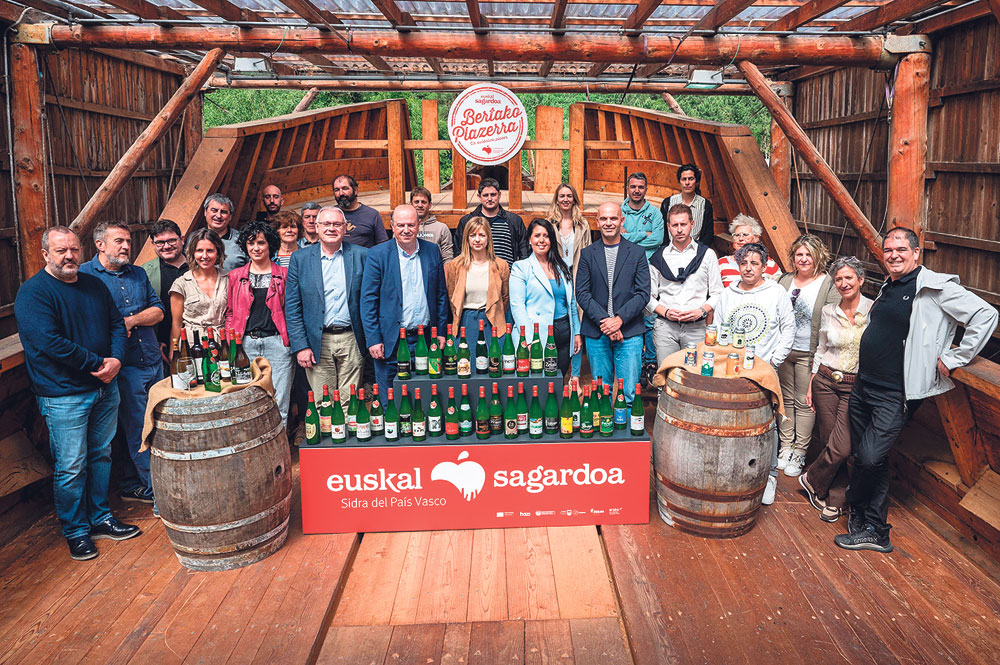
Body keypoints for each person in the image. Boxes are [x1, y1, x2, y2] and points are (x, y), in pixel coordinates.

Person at [836, 227, 998, 553]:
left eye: (901, 249)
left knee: (870, 456)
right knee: (871, 458)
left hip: (896, 392)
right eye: (888, 250)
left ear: (915, 253)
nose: (893, 255)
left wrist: (955, 358)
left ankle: (866, 515)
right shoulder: (890, 284)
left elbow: (986, 314)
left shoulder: (935, 287)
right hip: (865, 385)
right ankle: (869, 523)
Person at [14, 226, 140, 561]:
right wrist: (98, 363)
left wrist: (117, 359)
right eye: (61, 251)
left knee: (101, 456)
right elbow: (49, 342)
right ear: (45, 254)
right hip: (64, 395)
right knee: (71, 466)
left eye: (74, 249)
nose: (69, 256)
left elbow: (117, 324)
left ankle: (100, 518)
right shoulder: (33, 293)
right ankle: (76, 531)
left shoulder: (94, 284)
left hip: (104, 387)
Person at [80, 221, 164, 507]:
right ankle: (158, 492)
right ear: (100, 244)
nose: (127, 246)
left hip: (152, 359)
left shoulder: (138, 273)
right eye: (120, 241)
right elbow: (88, 322)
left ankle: (157, 484)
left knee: (162, 426)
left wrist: (129, 320)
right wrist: (122, 325)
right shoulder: (85, 276)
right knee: (139, 429)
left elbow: (158, 311)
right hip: (124, 367)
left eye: (128, 241)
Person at [714, 242, 795, 506]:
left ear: (764, 266)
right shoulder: (728, 293)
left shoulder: (776, 292)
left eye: (754, 263)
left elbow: (789, 328)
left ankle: (770, 475)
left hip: (764, 370)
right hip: (733, 369)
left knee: (767, 423)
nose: (748, 268)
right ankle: (735, 472)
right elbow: (718, 328)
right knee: (733, 421)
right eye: (744, 263)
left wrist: (773, 361)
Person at [798, 256, 872, 523]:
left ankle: (811, 479)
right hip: (825, 381)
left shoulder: (873, 310)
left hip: (855, 386)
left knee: (841, 447)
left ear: (860, 279)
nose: (843, 283)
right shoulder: (829, 310)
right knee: (830, 442)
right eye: (838, 279)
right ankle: (835, 500)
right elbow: (820, 349)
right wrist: (811, 383)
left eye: (848, 277)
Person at [361, 205, 448, 402]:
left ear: (419, 225)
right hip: (390, 342)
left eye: (411, 225)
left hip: (426, 340)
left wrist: (441, 332)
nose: (406, 230)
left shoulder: (432, 250)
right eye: (400, 225)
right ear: (392, 226)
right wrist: (373, 339)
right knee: (389, 401)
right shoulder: (377, 254)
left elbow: (441, 295)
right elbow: (368, 301)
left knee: (427, 398)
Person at [286, 207, 369, 411]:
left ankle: (347, 433)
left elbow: (371, 300)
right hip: (317, 341)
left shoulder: (362, 255)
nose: (331, 228)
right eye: (326, 224)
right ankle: (327, 433)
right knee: (323, 403)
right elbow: (293, 307)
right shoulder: (300, 259)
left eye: (337, 224)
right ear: (316, 227)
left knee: (350, 402)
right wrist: (301, 346)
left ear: (345, 228)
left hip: (352, 338)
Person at [776, 234, 840, 477]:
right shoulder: (784, 280)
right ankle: (786, 446)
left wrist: (821, 357)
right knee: (785, 400)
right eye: (799, 254)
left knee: (805, 402)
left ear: (818, 257)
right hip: (784, 351)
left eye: (808, 255)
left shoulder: (828, 284)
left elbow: (832, 321)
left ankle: (799, 451)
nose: (803, 259)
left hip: (808, 352)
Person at [576, 203, 650, 403]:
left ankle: (626, 425)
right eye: (604, 219)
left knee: (629, 394)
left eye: (613, 218)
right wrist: (607, 322)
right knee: (602, 393)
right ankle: (605, 425)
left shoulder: (637, 253)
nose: (608, 223)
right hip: (597, 332)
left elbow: (643, 294)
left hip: (630, 332)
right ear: (597, 222)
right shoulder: (587, 254)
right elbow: (582, 293)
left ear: (621, 221)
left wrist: (619, 320)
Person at [225, 221, 294, 424]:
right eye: (251, 243)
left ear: (270, 244)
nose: (256, 248)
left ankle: (280, 441)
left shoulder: (284, 275)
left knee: (279, 402)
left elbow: (291, 312)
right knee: (247, 401)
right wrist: (231, 341)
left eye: (261, 243)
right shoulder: (236, 276)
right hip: (245, 344)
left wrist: (289, 342)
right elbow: (230, 312)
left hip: (278, 343)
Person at [647, 203, 723, 364]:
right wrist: (666, 312)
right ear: (668, 226)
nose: (679, 229)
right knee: (667, 373)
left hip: (697, 327)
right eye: (675, 225)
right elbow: (648, 296)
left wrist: (701, 310)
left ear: (692, 224)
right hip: (666, 327)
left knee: (694, 374)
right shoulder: (658, 258)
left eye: (683, 224)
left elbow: (717, 292)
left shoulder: (707, 255)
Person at [509, 219, 582, 377]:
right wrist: (529, 340)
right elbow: (517, 306)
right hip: (536, 335)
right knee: (538, 382)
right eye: (537, 235)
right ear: (530, 239)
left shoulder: (562, 266)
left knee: (558, 381)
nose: (541, 240)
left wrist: (576, 332)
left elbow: (571, 302)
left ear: (552, 240)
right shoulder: (520, 267)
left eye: (546, 236)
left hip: (564, 333)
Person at [620, 171, 663, 386]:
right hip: (625, 270)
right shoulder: (619, 212)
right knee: (630, 316)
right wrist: (642, 235)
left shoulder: (654, 213)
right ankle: (634, 364)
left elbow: (658, 239)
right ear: (627, 188)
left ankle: (650, 362)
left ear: (646, 189)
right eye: (633, 186)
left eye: (640, 187)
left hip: (649, 270)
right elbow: (616, 238)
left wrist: (629, 237)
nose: (636, 190)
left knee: (650, 318)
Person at [546, 183, 592, 377]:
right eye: (562, 196)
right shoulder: (549, 223)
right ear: (557, 200)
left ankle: (575, 375)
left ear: (574, 200)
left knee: (576, 323)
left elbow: (588, 251)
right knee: (557, 319)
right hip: (555, 275)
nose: (565, 199)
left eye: (569, 196)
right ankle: (552, 370)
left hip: (576, 275)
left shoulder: (583, 224)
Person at [444, 217, 510, 350]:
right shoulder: (455, 265)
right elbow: (452, 298)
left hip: (493, 321)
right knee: (466, 361)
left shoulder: (501, 265)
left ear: (488, 238)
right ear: (466, 238)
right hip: (465, 321)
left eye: (482, 235)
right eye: (472, 235)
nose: (477, 239)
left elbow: (505, 298)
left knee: (493, 361)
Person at [168, 227, 229, 352]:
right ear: (193, 253)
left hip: (222, 342)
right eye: (199, 250)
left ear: (218, 252)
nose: (204, 256)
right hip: (192, 343)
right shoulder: (181, 284)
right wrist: (172, 352)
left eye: (210, 251)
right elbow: (177, 324)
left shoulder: (229, 279)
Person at [141, 219, 188, 357]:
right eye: (160, 242)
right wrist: (154, 342)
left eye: (171, 241)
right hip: (161, 346)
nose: (166, 246)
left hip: (197, 340)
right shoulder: (144, 272)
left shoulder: (198, 266)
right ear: (153, 244)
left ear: (182, 240)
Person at [455, 178, 528, 265]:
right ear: (479, 197)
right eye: (485, 195)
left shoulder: (514, 221)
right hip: (476, 271)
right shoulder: (467, 221)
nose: (489, 198)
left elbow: (524, 251)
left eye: (493, 195)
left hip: (507, 272)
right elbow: (458, 251)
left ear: (499, 195)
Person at [719, 214, 781, 288]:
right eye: (737, 235)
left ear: (755, 238)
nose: (741, 239)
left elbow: (779, 288)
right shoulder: (722, 263)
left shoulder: (769, 263)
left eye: (745, 235)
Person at [660, 164, 715, 247]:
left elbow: (708, 234)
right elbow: (663, 231)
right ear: (679, 181)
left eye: (691, 179)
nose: (687, 183)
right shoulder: (668, 203)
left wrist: (699, 251)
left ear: (696, 181)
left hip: (696, 250)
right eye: (684, 179)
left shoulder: (705, 205)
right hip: (671, 249)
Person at [334, 174, 388, 248]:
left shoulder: (372, 215)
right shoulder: (329, 214)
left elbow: (383, 246)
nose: (341, 193)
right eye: (337, 190)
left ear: (355, 190)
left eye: (345, 188)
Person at [202, 193, 247, 272]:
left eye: (223, 212)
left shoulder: (242, 239)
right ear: (205, 212)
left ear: (230, 216)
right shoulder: (193, 238)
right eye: (214, 210)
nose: (218, 216)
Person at [412, 186, 454, 261]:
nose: (420, 205)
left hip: (435, 267)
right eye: (416, 202)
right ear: (411, 204)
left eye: (423, 202)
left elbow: (448, 257)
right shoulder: (404, 228)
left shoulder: (441, 228)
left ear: (430, 205)